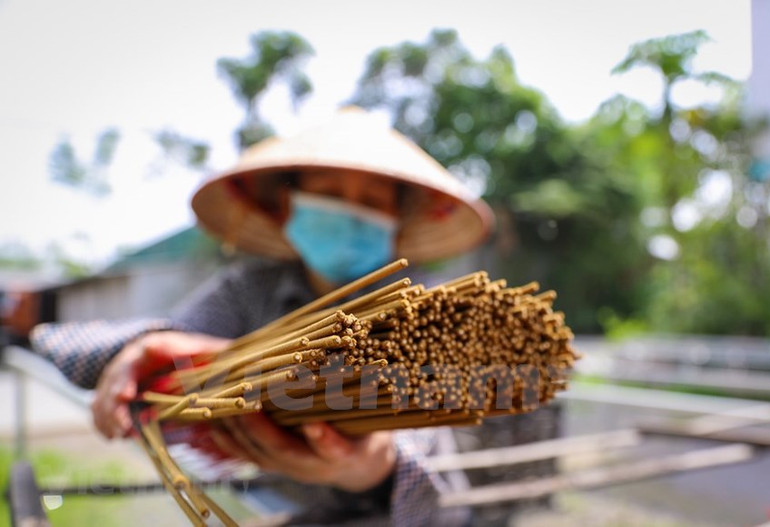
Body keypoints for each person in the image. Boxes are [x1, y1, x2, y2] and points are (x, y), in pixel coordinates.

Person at [31, 106, 494, 525]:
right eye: (330, 194)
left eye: (371, 203)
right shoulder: (248, 290)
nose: (350, 212)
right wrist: (143, 352)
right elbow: (171, 344)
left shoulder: (429, 306)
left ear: (397, 220)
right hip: (282, 507)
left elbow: (422, 429)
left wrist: (372, 463)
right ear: (288, 206)